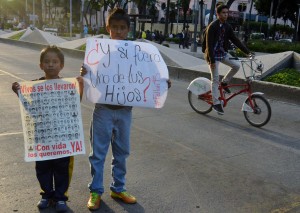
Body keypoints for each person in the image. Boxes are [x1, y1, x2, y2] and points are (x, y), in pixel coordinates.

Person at [80, 8, 171, 211]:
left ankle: (118, 188)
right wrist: (85, 72)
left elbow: (149, 75)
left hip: (125, 111)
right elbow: (91, 77)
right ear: (108, 28)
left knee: (122, 152)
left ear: (129, 29)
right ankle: (95, 190)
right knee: (98, 153)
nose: (118, 32)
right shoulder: (100, 52)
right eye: (114, 28)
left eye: (122, 28)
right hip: (103, 109)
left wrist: (163, 83)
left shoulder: (136, 53)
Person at [11, 46, 84, 212]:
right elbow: (30, 110)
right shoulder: (35, 86)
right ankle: (46, 194)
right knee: (42, 168)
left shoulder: (67, 86)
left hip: (62, 138)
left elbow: (74, 107)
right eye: (47, 62)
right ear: (41, 65)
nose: (51, 65)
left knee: (62, 169)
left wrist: (81, 87)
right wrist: (18, 93)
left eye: (55, 62)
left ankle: (60, 197)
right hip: (42, 137)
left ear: (62, 65)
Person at [204, 4, 251, 115]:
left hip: (222, 53)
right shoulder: (213, 26)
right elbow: (209, 45)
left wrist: (247, 52)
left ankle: (225, 83)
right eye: (224, 13)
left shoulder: (227, 26)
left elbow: (235, 40)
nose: (226, 15)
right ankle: (216, 103)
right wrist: (212, 61)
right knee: (215, 79)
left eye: (227, 12)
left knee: (236, 65)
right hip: (212, 55)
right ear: (218, 14)